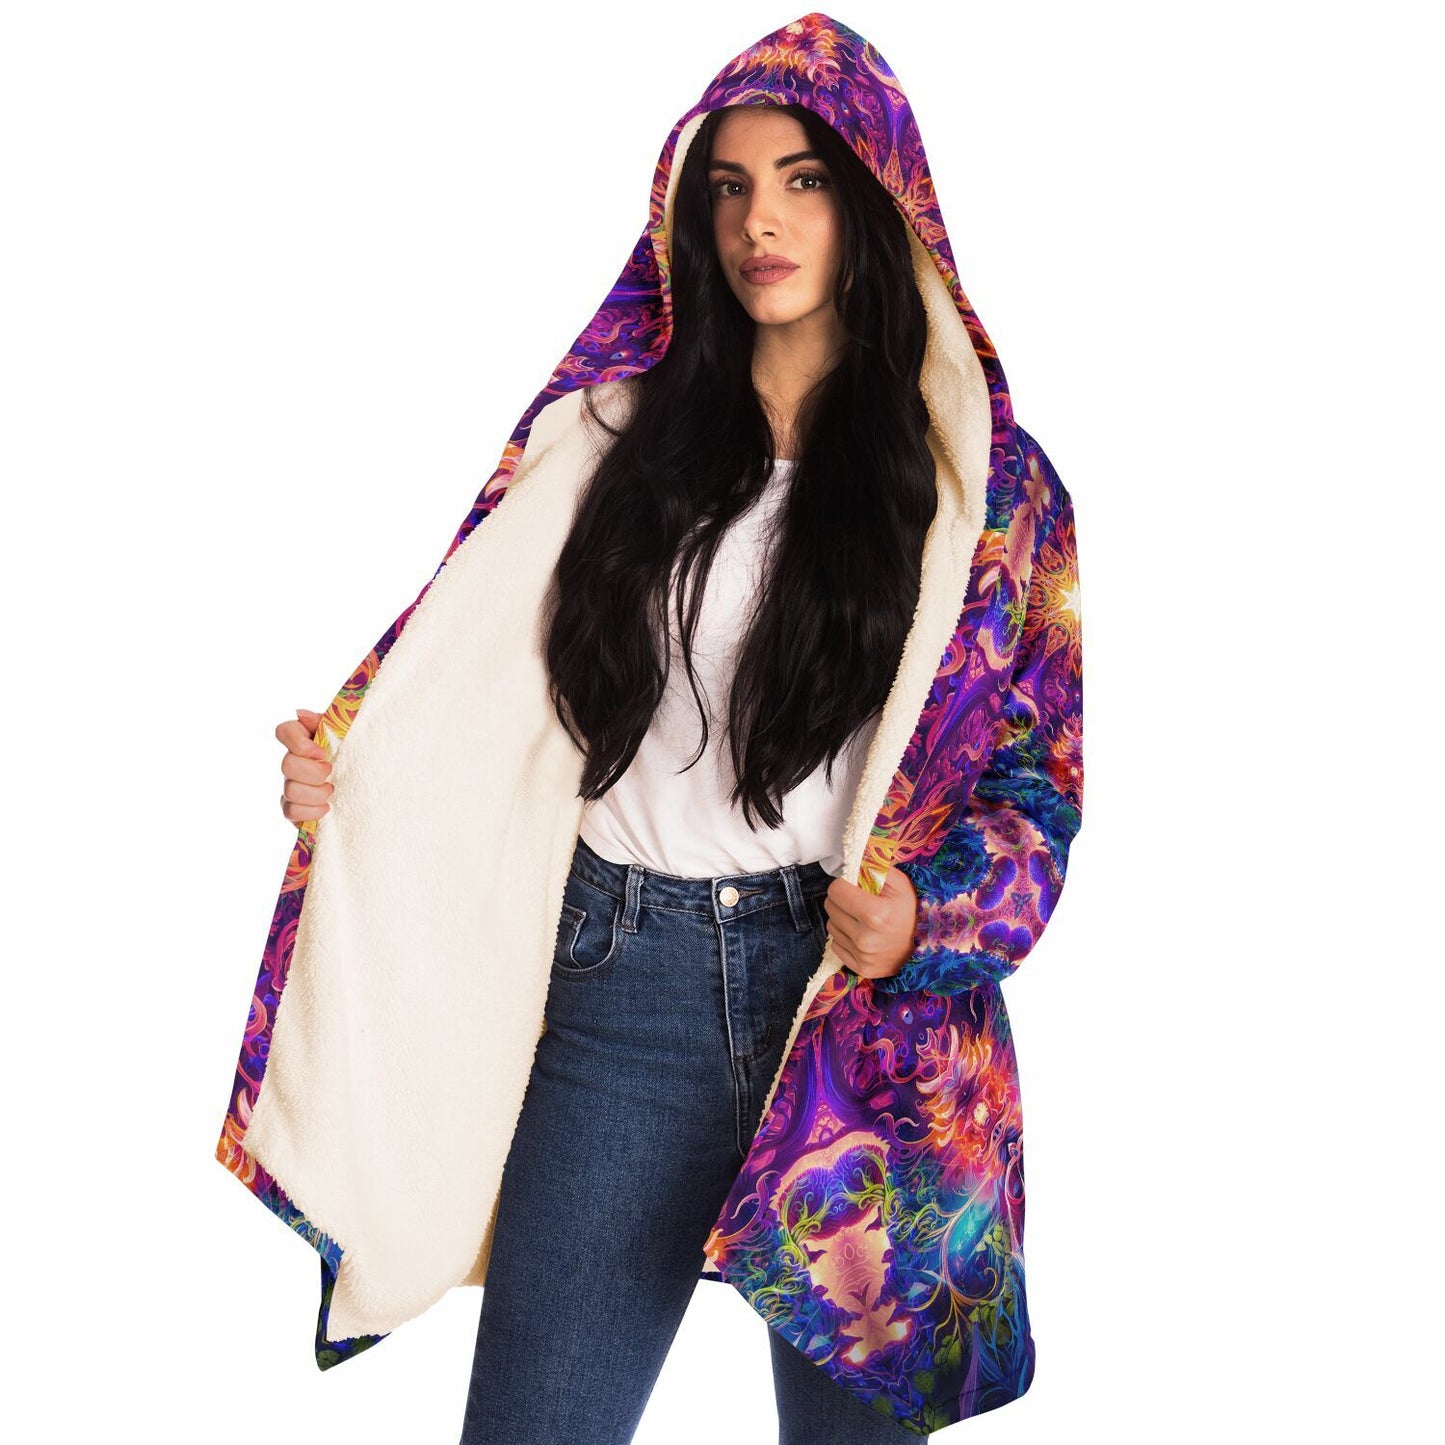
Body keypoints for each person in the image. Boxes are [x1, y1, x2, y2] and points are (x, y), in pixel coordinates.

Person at [223, 14, 1084, 1442]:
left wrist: (924, 921)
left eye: (802, 181)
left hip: (861, 1022)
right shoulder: (610, 441)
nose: (759, 223)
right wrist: (355, 770)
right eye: (728, 187)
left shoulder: (987, 488)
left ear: (876, 202)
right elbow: (473, 686)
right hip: (619, 990)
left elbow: (1035, 786)